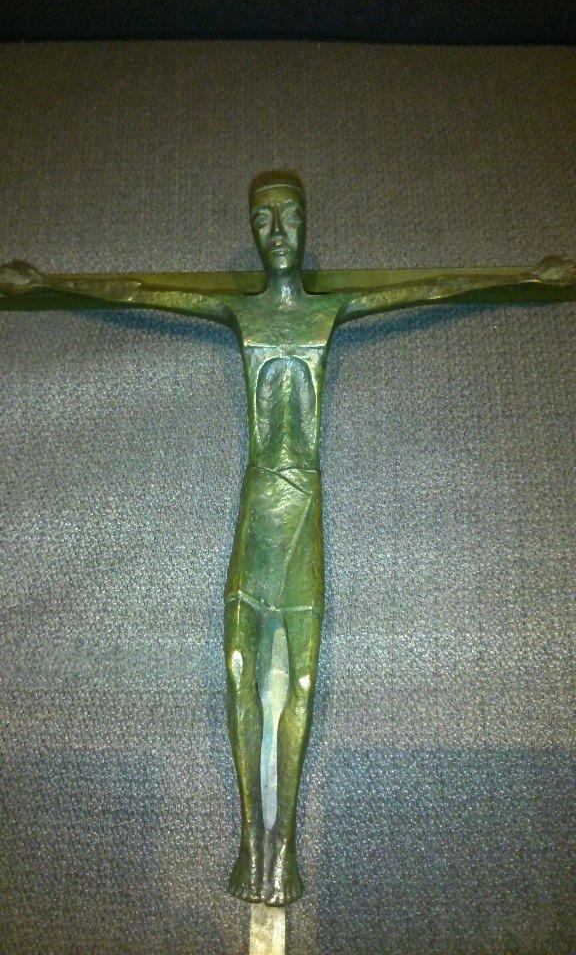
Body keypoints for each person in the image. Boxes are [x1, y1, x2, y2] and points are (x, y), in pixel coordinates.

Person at [1, 173, 574, 906]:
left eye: (290, 216)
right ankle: (253, 848)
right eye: (264, 218)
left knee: (300, 674)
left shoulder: (330, 309)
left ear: (307, 225)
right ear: (251, 230)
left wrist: (525, 277)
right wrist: (49, 283)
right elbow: (140, 292)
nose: (277, 232)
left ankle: (285, 851)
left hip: (304, 504)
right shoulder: (238, 311)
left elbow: (431, 288)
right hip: (256, 503)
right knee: (240, 664)